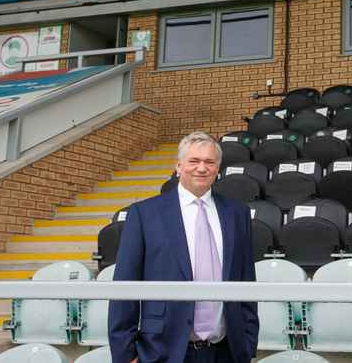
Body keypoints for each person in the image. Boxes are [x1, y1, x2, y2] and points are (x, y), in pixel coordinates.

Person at [109, 131, 258, 363]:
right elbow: (124, 286)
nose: (202, 168)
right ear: (178, 166)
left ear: (217, 169)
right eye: (194, 161)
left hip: (227, 351)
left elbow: (247, 282)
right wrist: (125, 354)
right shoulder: (145, 214)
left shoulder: (237, 214)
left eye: (209, 162)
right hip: (162, 350)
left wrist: (248, 343)